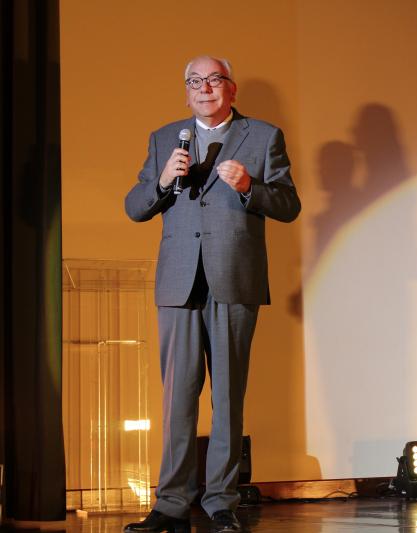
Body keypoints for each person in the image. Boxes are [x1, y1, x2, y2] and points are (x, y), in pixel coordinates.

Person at [123, 56, 301, 533]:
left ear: (231, 88)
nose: (204, 88)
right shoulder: (164, 138)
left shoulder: (263, 136)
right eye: (194, 82)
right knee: (177, 398)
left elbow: (288, 204)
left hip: (234, 280)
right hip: (179, 284)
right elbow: (135, 206)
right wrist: (162, 182)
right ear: (186, 93)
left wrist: (249, 187)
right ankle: (171, 502)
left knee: (227, 395)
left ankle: (221, 501)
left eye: (213, 80)